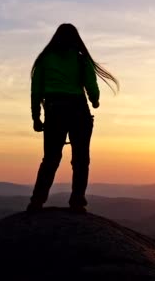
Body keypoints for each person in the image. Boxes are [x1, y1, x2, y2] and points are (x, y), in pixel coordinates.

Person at [27, 23, 119, 213]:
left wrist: (36, 117)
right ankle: (77, 201)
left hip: (54, 110)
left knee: (51, 159)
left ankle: (37, 201)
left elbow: (36, 91)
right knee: (81, 158)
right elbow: (91, 86)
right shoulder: (81, 59)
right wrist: (95, 101)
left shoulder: (45, 59)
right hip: (78, 109)